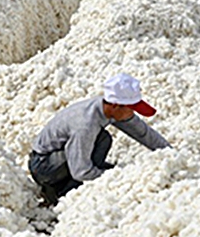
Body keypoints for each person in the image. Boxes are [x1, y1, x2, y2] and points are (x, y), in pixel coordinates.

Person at [28, 73, 170, 205]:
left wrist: (169, 153)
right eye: (131, 109)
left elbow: (142, 133)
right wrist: (113, 177)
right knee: (100, 144)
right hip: (43, 166)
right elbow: (80, 172)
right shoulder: (85, 125)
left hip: (59, 155)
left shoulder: (107, 109)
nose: (132, 113)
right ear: (115, 105)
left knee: (102, 139)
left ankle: (65, 183)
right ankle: (61, 194)